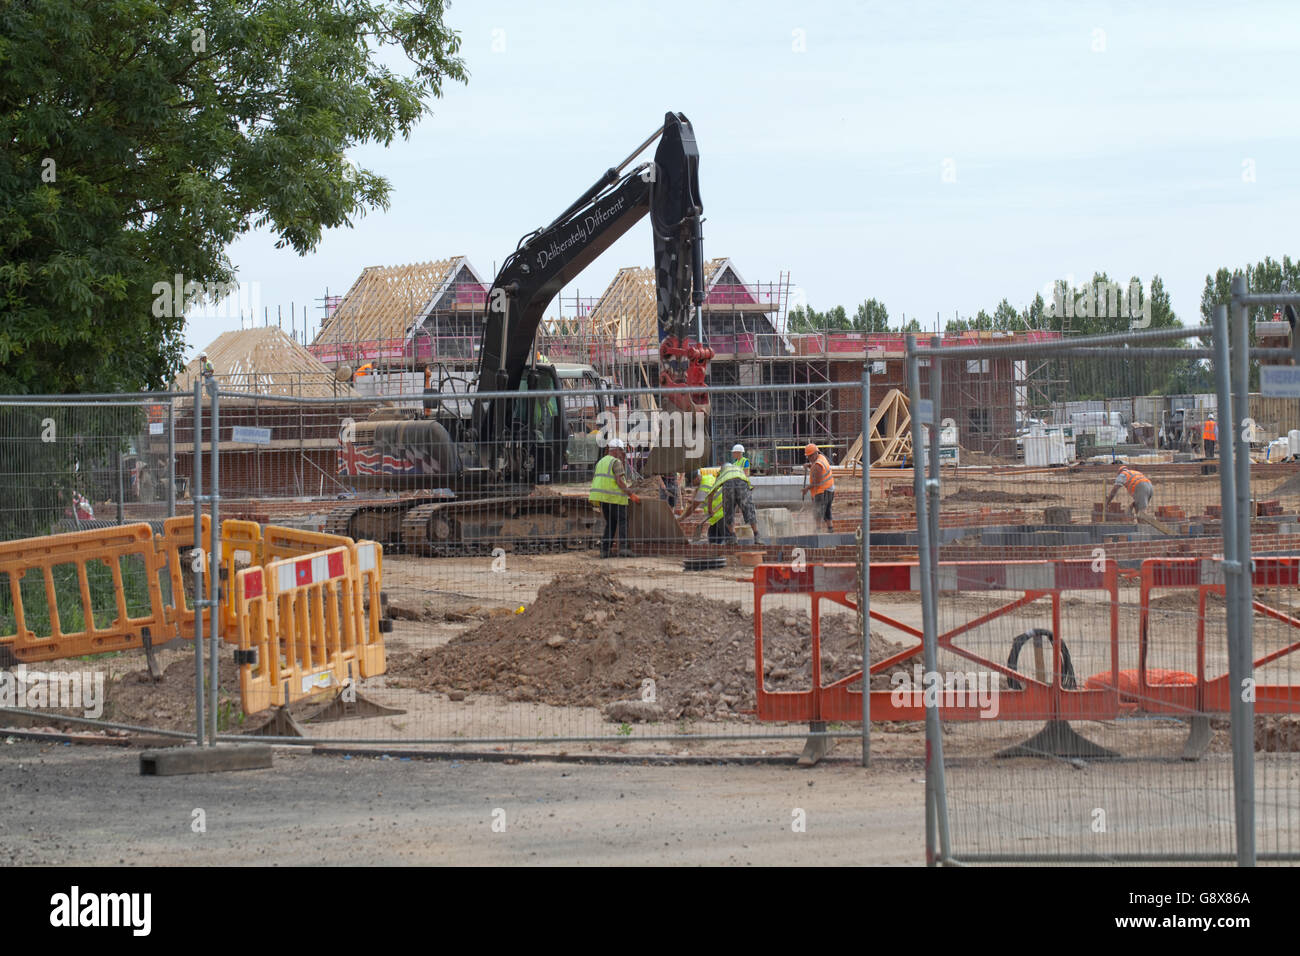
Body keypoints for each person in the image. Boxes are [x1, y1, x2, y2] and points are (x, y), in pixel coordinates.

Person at [589, 438, 640, 558]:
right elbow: (619, 481)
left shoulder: (601, 461)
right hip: (614, 498)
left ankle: (605, 550)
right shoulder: (616, 462)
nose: (622, 454)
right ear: (616, 450)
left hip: (602, 498)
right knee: (623, 522)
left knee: (611, 523)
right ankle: (624, 549)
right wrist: (631, 494)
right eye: (621, 451)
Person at [708, 457, 763, 544]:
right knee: (749, 510)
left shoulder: (723, 474)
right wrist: (739, 501)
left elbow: (711, 494)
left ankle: (732, 538)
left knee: (728, 512)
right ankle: (757, 536)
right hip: (742, 484)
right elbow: (750, 488)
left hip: (728, 484)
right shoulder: (738, 470)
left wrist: (710, 510)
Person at [679, 469, 732, 544]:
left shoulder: (703, 488)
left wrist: (681, 518)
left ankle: (730, 553)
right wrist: (693, 498)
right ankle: (716, 553)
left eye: (692, 482)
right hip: (717, 515)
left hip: (722, 514)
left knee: (727, 539)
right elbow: (697, 493)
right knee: (713, 538)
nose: (691, 485)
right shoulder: (707, 477)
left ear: (696, 478)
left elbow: (692, 508)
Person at [802, 442, 835, 533]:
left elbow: (817, 482)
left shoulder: (817, 465)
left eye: (810, 456)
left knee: (818, 510)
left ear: (816, 453)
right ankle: (830, 529)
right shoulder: (821, 458)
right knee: (826, 510)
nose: (809, 458)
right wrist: (809, 465)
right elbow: (817, 467)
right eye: (808, 456)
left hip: (822, 491)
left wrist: (806, 489)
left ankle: (818, 530)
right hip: (829, 488)